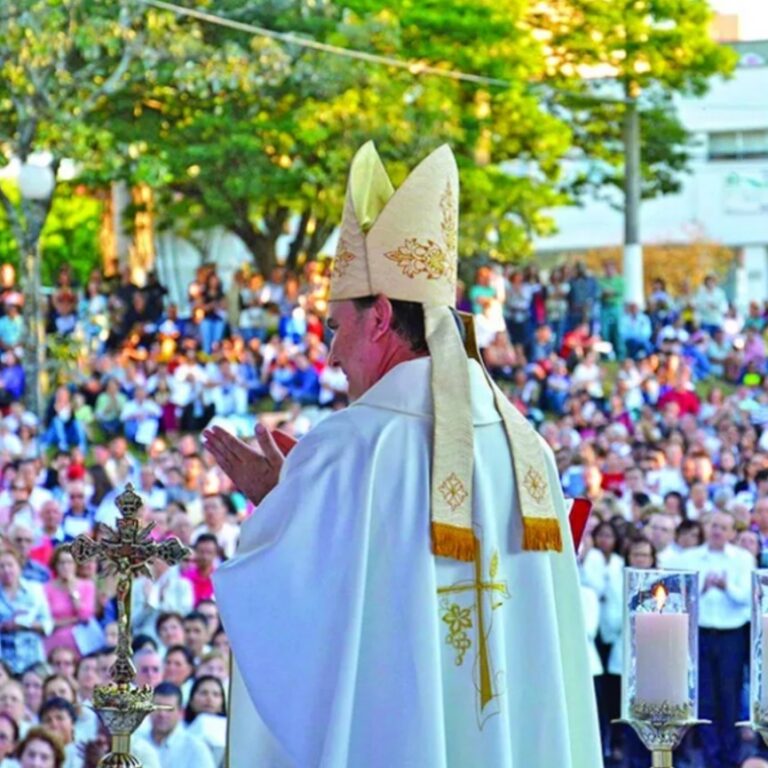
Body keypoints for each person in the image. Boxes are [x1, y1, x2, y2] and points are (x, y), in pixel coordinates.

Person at [206, 143, 600, 766]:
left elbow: (288, 614)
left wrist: (280, 507)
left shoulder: (347, 447)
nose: (331, 355)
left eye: (336, 327)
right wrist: (294, 499)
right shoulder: (530, 450)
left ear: (382, 317)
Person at [670, 511, 753, 768]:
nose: (717, 531)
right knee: (704, 697)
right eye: (714, 526)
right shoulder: (689, 558)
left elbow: (747, 598)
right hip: (701, 634)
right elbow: (680, 595)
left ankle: (730, 757)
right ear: (707, 528)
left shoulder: (742, 558)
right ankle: (709, 758)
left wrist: (727, 587)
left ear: (732, 533)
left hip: (732, 636)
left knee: (730, 695)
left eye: (724, 527)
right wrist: (702, 587)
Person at [0, 549, 52, 674]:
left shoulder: (35, 590)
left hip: (33, 657)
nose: (6, 570)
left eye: (10, 565)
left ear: (19, 566)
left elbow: (48, 624)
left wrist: (25, 624)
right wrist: (4, 626)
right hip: (4, 660)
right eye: (1, 566)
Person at [43, 548, 96, 657]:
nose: (65, 566)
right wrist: (73, 620)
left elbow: (85, 617)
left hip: (81, 642)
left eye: (69, 562)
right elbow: (46, 621)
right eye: (61, 563)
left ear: (76, 565)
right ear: (55, 565)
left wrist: (73, 592)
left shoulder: (87, 586)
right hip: (54, 641)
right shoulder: (46, 589)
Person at [148, 683, 214, 768]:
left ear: (181, 713)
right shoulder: (137, 742)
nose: (162, 714)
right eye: (157, 707)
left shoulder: (196, 749)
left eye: (169, 709)